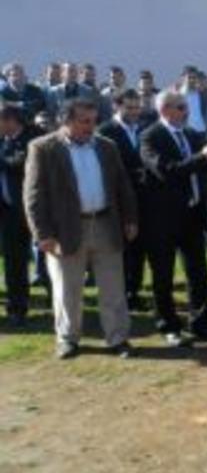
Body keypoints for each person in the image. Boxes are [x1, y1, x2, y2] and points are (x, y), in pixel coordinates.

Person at [23, 98, 138, 359]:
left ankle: (118, 338)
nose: (91, 126)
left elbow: (122, 185)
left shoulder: (107, 146)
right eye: (84, 121)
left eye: (94, 120)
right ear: (66, 121)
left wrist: (130, 219)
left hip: (106, 224)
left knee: (113, 287)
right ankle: (68, 339)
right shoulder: (43, 148)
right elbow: (33, 196)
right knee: (67, 288)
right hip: (65, 230)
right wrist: (43, 235)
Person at [140, 90, 207, 346]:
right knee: (163, 276)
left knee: (198, 273)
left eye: (186, 107)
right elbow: (167, 171)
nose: (186, 111)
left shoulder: (191, 134)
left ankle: (201, 324)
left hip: (192, 214)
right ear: (165, 109)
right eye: (181, 107)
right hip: (162, 219)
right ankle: (169, 326)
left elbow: (202, 167)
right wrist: (204, 156)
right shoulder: (150, 136)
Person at [97, 89, 147, 311]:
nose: (135, 111)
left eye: (137, 107)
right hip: (118, 200)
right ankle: (120, 295)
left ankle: (133, 292)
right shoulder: (105, 132)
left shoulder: (145, 128)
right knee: (121, 249)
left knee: (139, 249)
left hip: (144, 198)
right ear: (117, 106)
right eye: (129, 107)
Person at [0, 104, 43, 326]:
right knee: (13, 261)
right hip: (8, 213)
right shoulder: (4, 140)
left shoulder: (32, 139)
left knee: (45, 259)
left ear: (10, 121)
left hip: (31, 211)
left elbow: (16, 163)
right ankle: (17, 306)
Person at [178, 67, 207, 136]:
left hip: (201, 131)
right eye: (189, 77)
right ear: (182, 78)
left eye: (194, 78)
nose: (192, 80)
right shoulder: (177, 96)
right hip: (185, 132)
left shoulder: (201, 95)